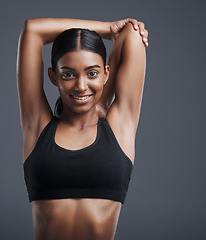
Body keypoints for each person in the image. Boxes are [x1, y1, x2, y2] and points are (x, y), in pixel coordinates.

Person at [16, 18, 148, 240]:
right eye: (68, 74)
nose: (81, 85)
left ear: (106, 74)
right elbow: (32, 30)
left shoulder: (119, 127)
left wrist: (101, 103)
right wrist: (108, 29)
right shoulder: (37, 127)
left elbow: (132, 33)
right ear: (53, 76)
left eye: (92, 73)